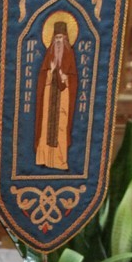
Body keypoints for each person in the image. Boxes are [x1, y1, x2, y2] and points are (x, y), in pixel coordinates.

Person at [35, 21, 78, 170]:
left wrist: (63, 77)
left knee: (60, 128)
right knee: (46, 126)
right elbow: (42, 76)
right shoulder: (50, 55)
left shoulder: (70, 56)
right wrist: (51, 72)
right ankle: (44, 158)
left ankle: (60, 161)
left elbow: (72, 78)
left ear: (66, 39)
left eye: (61, 38)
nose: (59, 41)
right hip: (49, 95)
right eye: (57, 38)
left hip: (63, 95)